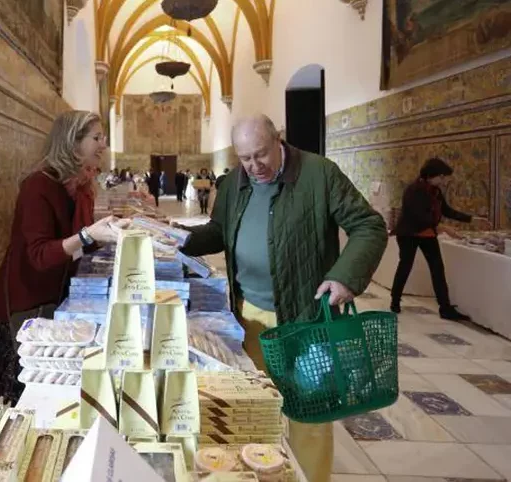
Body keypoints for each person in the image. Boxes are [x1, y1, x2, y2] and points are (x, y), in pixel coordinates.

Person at [179, 114, 387, 482]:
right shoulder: (234, 183)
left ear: (279, 140)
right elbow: (218, 231)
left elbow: (368, 225)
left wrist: (344, 277)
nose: (254, 166)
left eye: (261, 154)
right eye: (245, 158)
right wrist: (176, 238)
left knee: (309, 411)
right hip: (249, 316)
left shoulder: (319, 174)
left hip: (305, 319)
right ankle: (266, 471)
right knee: (257, 407)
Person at [0, 110, 129, 405]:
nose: (103, 145)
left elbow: (76, 244)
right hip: (27, 301)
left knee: (58, 388)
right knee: (33, 393)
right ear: (71, 143)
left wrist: (109, 234)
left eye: (103, 138)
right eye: (96, 138)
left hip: (58, 294)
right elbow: (39, 254)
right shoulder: (37, 186)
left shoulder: (79, 187)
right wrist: (90, 235)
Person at [390, 157, 488, 320]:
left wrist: (472, 219)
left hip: (428, 234)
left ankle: (445, 308)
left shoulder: (435, 191)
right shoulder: (413, 190)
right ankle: (395, 301)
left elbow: (447, 210)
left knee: (437, 268)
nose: (444, 180)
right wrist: (441, 228)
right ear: (430, 175)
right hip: (409, 234)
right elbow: (417, 216)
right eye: (441, 177)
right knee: (405, 265)